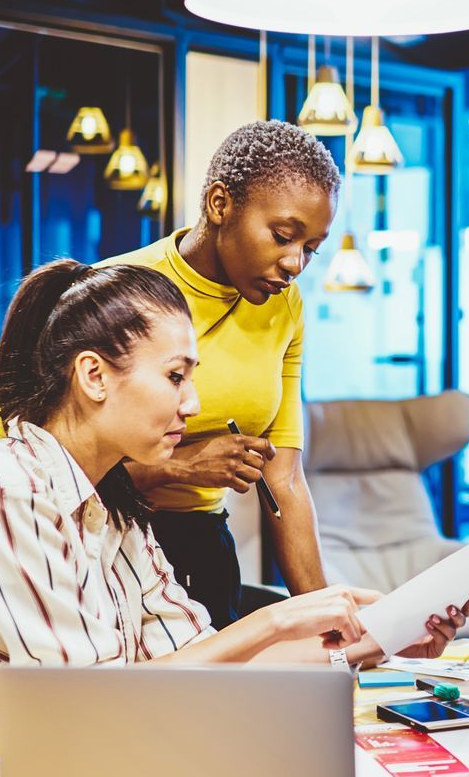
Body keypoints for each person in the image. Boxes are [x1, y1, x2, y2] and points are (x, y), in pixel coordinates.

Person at [0, 260, 466, 777]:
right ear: (93, 375)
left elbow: (196, 661)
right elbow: (100, 700)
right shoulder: (6, 490)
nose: (195, 402)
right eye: (175, 375)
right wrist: (277, 616)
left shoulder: (112, 501)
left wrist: (380, 639)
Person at [100, 120, 338, 628]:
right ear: (220, 204)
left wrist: (331, 623)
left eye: (312, 248)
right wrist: (178, 466)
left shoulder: (285, 308)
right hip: (103, 548)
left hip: (203, 548)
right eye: (282, 236)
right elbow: (45, 478)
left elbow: (285, 480)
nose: (296, 263)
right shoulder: (116, 294)